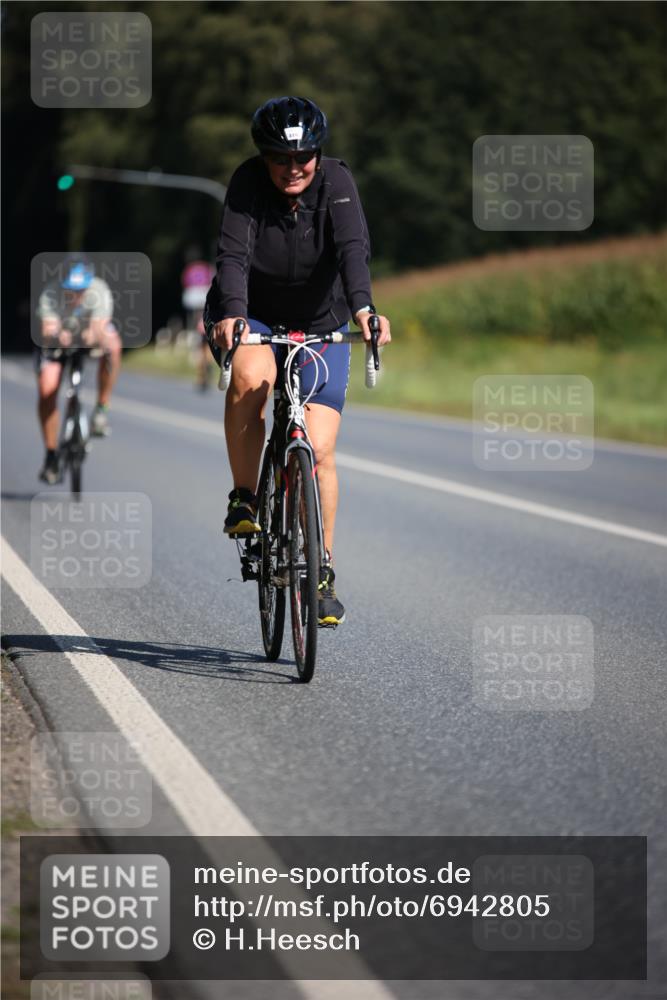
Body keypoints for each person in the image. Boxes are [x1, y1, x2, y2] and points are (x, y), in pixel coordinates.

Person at [205, 96, 391, 626]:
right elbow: (233, 256)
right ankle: (244, 499)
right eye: (280, 159)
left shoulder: (337, 182)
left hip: (321, 320)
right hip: (253, 316)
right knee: (249, 377)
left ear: (318, 154)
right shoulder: (247, 183)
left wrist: (365, 310)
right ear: (263, 157)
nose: (293, 169)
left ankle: (321, 569)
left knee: (322, 449)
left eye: (304, 158)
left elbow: (354, 250)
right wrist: (233, 316)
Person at [35, 260, 122, 484]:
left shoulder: (99, 290)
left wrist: (92, 335)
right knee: (47, 389)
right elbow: (47, 330)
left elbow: (100, 328)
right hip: (57, 344)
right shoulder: (51, 293)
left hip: (87, 339)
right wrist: (57, 335)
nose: (75, 296)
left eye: (80, 290)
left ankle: (101, 409)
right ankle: (51, 455)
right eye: (70, 291)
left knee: (113, 347)